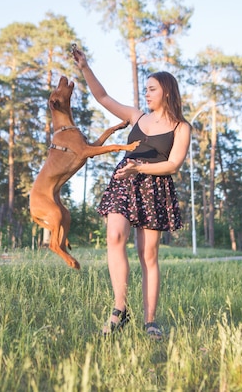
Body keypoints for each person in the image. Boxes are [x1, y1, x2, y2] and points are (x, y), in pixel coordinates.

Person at [72, 46, 190, 340]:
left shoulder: (181, 127)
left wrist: (140, 168)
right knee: (114, 236)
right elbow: (103, 98)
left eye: (152, 89)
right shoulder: (137, 117)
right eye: (146, 89)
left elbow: (173, 164)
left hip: (154, 186)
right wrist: (85, 66)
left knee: (148, 254)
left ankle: (150, 321)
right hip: (125, 182)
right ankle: (119, 309)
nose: (147, 94)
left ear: (166, 91)